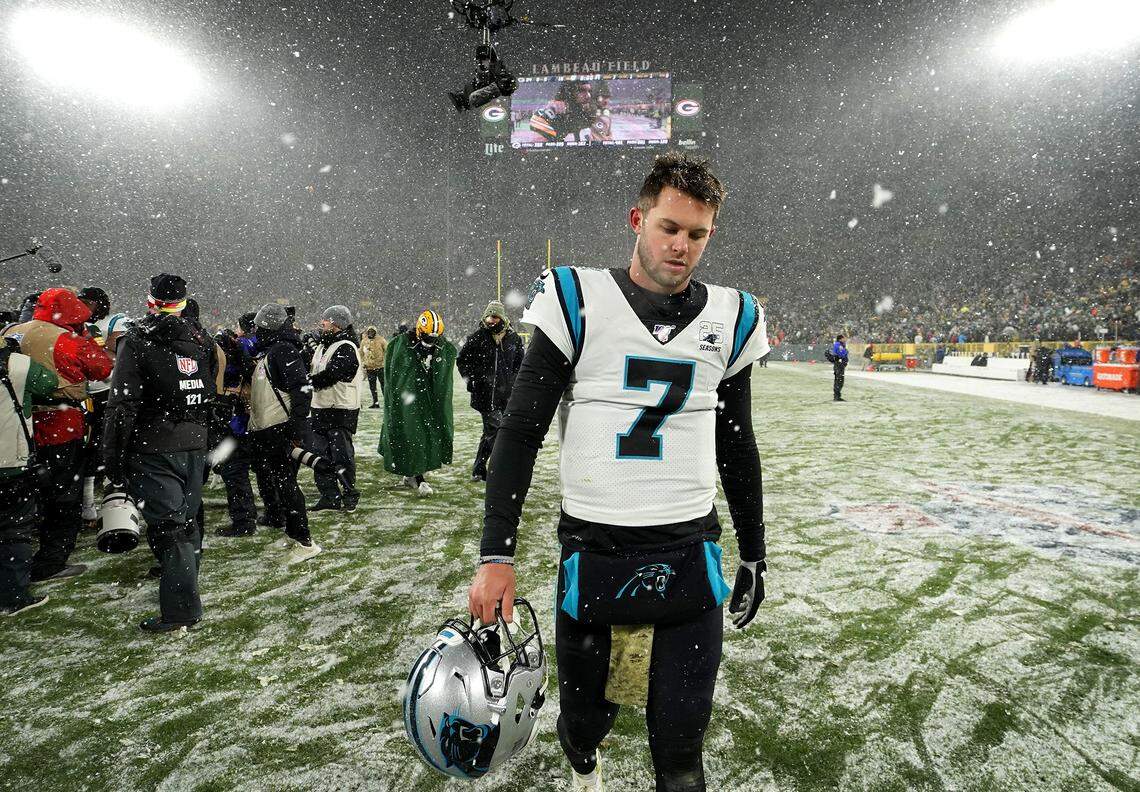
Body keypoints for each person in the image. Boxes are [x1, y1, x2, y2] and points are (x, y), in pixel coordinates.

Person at [467, 153, 768, 791]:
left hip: (689, 547)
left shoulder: (733, 316)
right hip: (594, 546)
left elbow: (736, 442)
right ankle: (584, 765)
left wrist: (755, 553)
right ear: (637, 219)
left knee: (683, 756)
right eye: (668, 227)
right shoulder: (578, 297)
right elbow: (519, 433)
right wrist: (497, 554)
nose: (681, 246)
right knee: (581, 724)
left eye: (697, 233)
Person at [101, 274, 217, 632]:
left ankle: (182, 609)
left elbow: (122, 405)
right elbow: (208, 392)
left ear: (150, 301)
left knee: (172, 528)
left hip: (154, 443)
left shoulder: (137, 340)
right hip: (192, 441)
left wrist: (112, 457)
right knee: (186, 520)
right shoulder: (201, 340)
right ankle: (184, 588)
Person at [2, 288, 113, 582]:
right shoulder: (68, 340)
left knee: (21, 494)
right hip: (62, 423)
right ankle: (52, 560)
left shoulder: (13, 331)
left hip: (17, 423)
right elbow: (103, 368)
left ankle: (17, 557)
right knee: (64, 492)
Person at [247, 303, 320, 564]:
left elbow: (302, 389)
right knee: (282, 483)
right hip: (275, 429)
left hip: (281, 429)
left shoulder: (282, 350)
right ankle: (293, 532)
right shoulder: (276, 350)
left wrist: (296, 428)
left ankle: (305, 541)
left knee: (287, 485)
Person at [0, 339, 59, 616]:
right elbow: (48, 383)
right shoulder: (19, 365)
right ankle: (13, 594)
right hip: (10, 459)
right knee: (14, 529)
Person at [377, 310, 456, 496]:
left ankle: (412, 474)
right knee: (411, 436)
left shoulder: (442, 348)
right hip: (409, 402)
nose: (431, 341)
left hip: (428, 402)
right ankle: (417, 477)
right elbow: (396, 377)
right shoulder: (401, 346)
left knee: (424, 438)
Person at [77, 286, 130, 528]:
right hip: (84, 393)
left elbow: (115, 352)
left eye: (89, 302)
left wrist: (99, 347)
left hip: (108, 392)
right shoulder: (78, 325)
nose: (85, 307)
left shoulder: (115, 321)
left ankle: (116, 501)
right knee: (90, 450)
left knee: (111, 445)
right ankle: (88, 505)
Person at [457, 301, 524, 482]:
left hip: (505, 396)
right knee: (497, 431)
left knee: (490, 432)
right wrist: (472, 381)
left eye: (494, 316)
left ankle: (479, 469)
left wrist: (514, 383)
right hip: (484, 396)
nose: (490, 320)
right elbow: (462, 361)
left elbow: (520, 364)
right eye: (488, 316)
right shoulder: (477, 338)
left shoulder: (514, 339)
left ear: (501, 317)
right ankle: (501, 472)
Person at [308, 305, 363, 512]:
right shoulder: (324, 346)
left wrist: (308, 382)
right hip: (321, 407)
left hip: (340, 408)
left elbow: (335, 374)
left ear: (336, 323)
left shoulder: (346, 346)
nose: (322, 324)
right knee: (320, 456)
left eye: (326, 321)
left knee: (341, 455)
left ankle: (349, 493)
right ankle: (329, 495)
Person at [360, 325, 388, 408]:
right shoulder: (364, 341)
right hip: (369, 367)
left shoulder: (381, 340)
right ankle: (375, 402)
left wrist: (385, 360)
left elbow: (387, 350)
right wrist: (362, 362)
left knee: (383, 385)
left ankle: (387, 402)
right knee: (372, 387)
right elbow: (361, 353)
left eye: (372, 332)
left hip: (380, 366)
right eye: (369, 332)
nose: (371, 333)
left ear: (375, 332)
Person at [829, 334, 849, 401]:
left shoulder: (839, 345)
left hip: (839, 364)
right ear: (840, 339)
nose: (845, 339)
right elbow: (841, 354)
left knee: (839, 380)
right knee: (839, 380)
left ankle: (837, 396)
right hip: (839, 364)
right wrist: (846, 351)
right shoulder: (839, 345)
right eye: (844, 338)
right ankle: (837, 396)